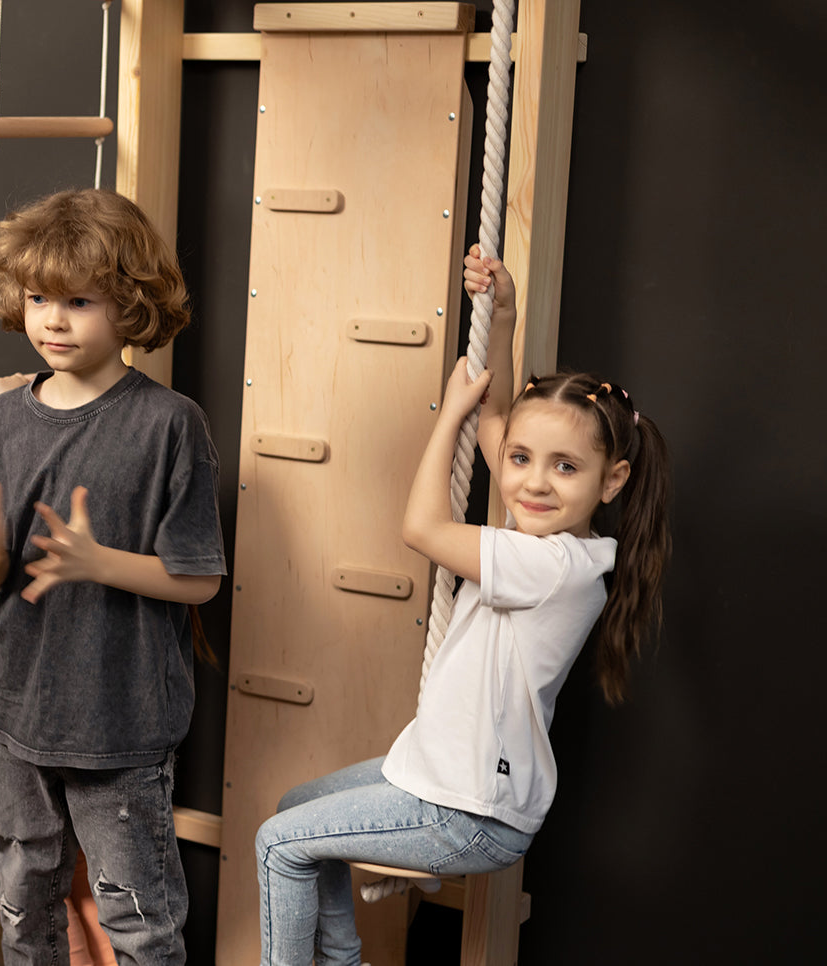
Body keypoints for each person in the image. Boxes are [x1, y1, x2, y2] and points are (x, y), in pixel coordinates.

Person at [254, 248, 672, 965]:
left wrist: (447, 414)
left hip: (466, 811)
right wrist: (501, 317)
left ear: (614, 480)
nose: (533, 482)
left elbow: (421, 529)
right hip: (439, 776)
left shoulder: (551, 564)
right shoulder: (543, 537)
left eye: (565, 467)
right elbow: (501, 419)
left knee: (276, 846)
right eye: (521, 461)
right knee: (297, 815)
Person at [0, 188, 228, 965]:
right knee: (24, 904)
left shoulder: (170, 423)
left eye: (79, 300)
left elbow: (198, 579)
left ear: (131, 304)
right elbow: (8, 576)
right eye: (38, 298)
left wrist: (100, 562)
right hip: (21, 714)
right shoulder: (1, 418)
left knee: (139, 921)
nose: (53, 320)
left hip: (123, 727)